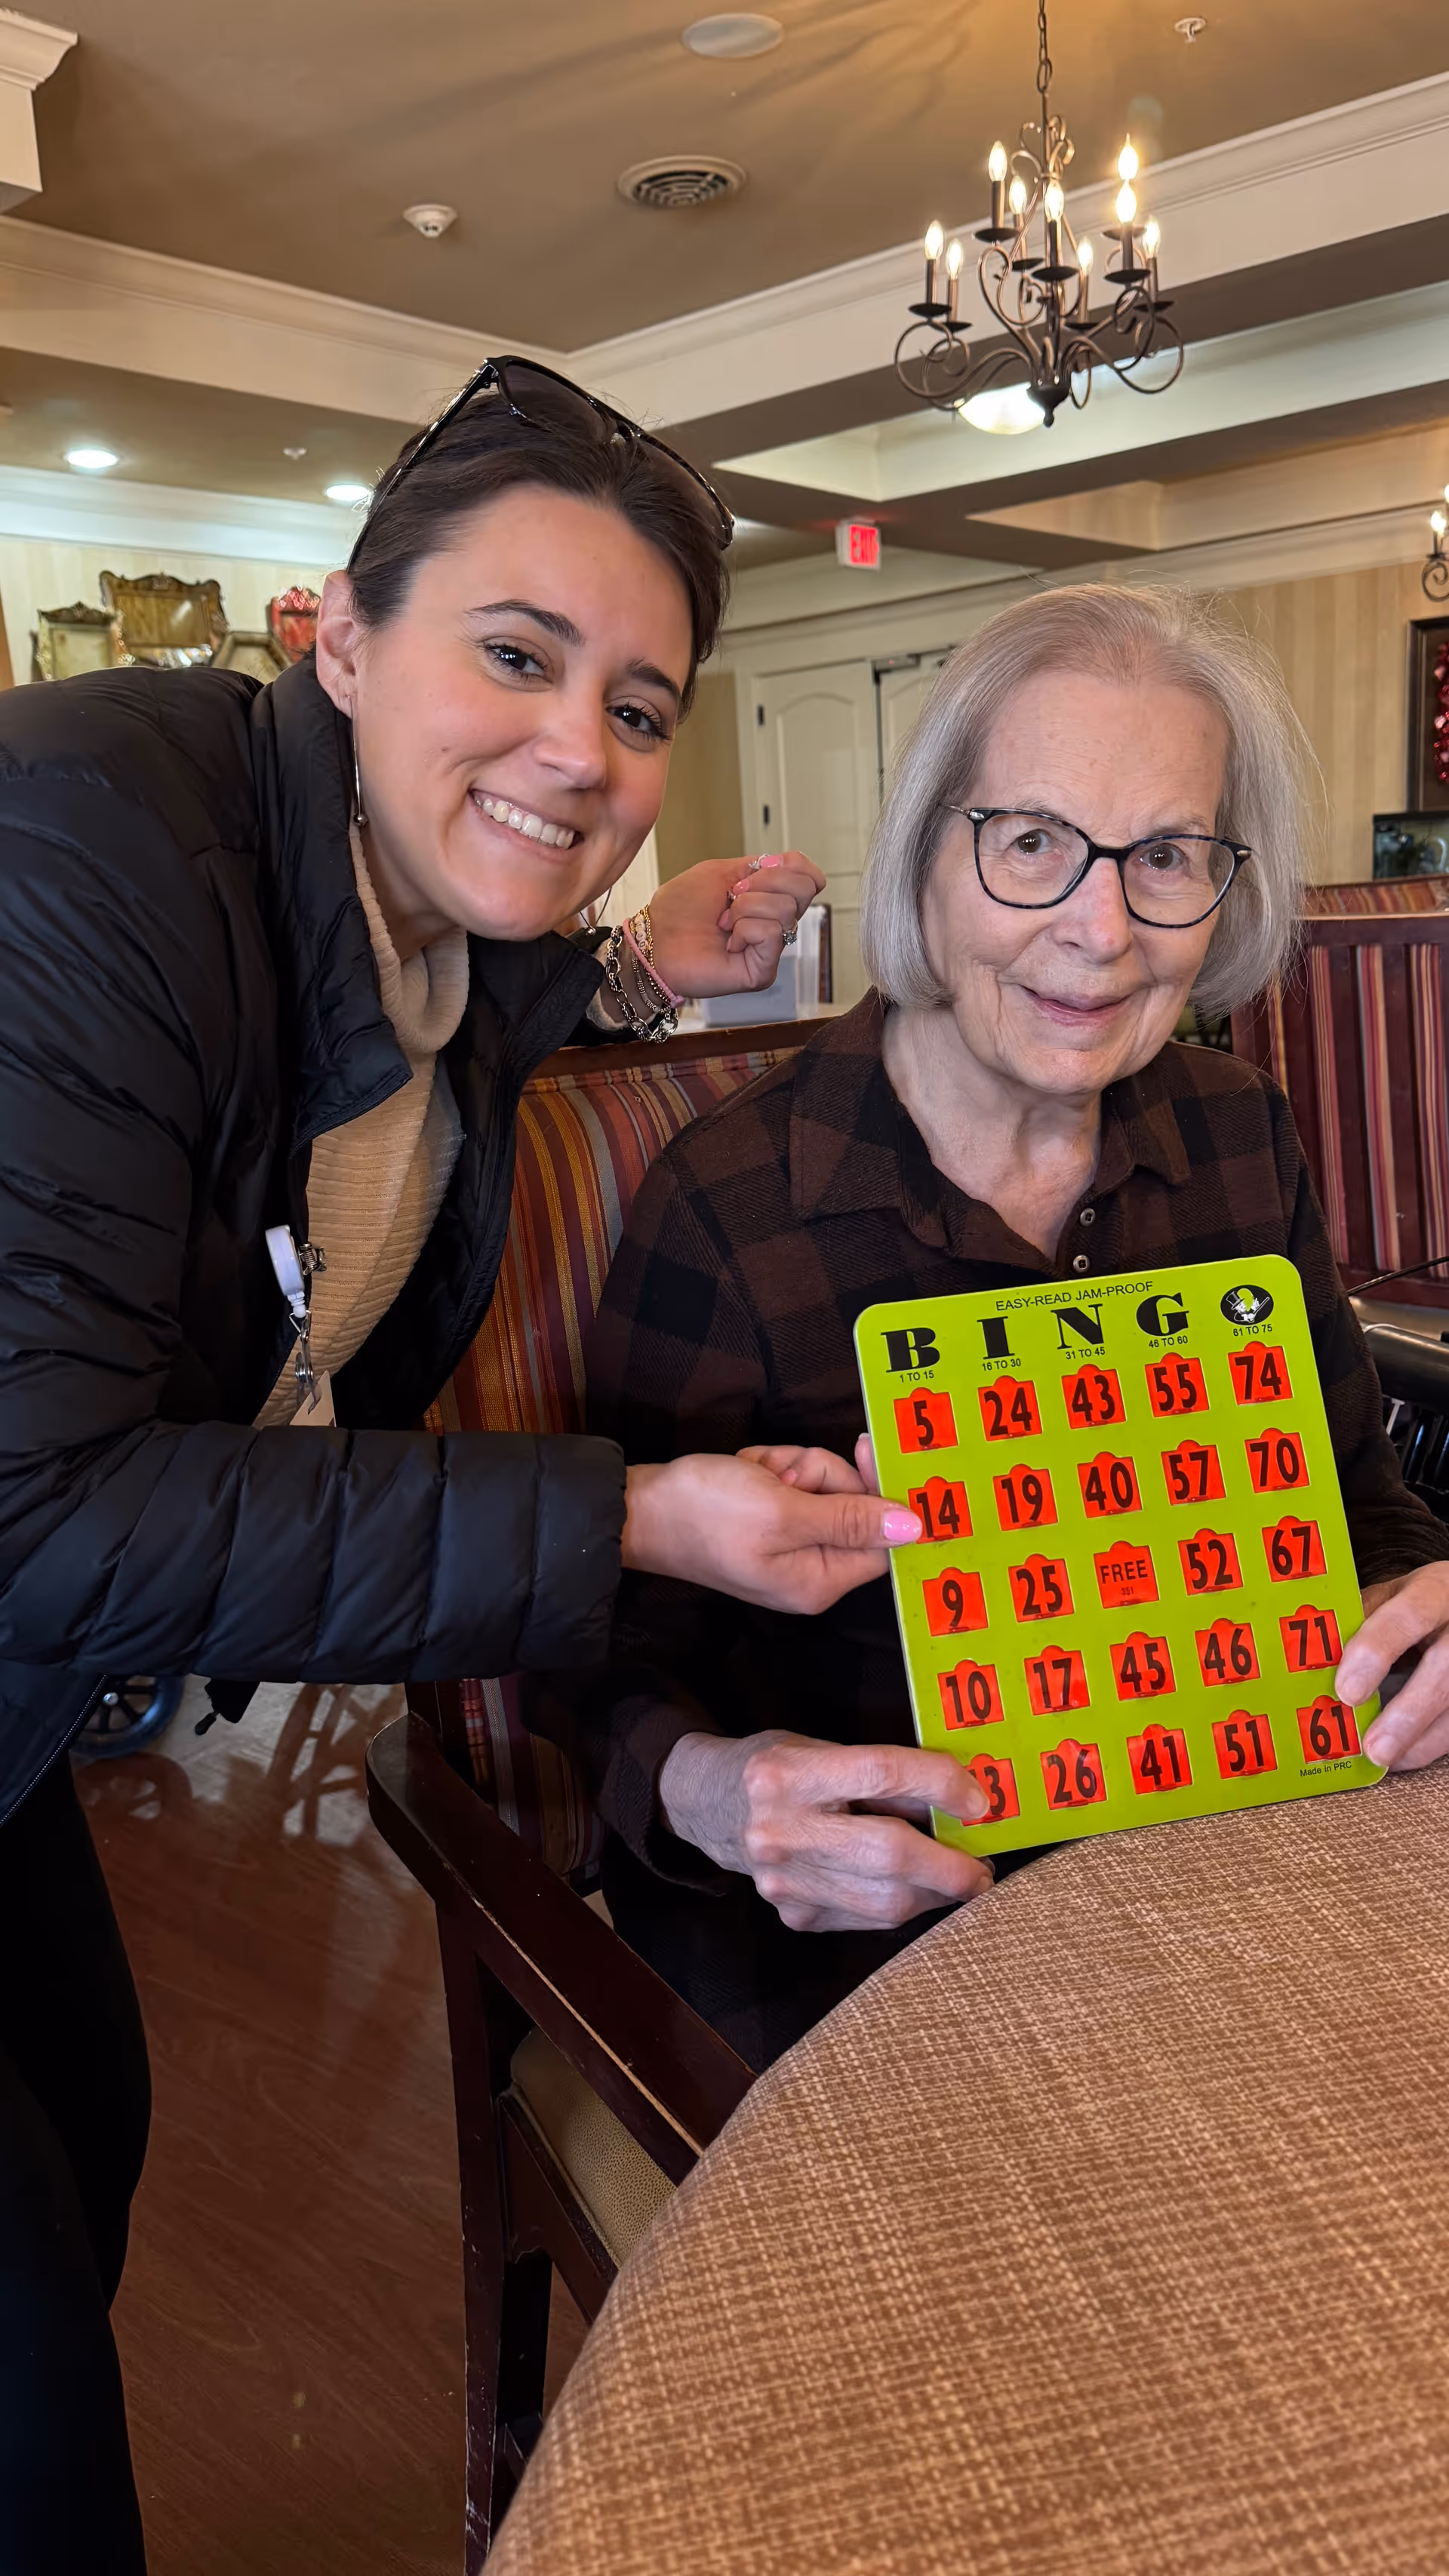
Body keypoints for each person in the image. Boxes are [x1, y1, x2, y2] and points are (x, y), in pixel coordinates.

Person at [0, 358, 928, 2570]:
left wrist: (620, 959)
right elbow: (37, 1510)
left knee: (89, 2137)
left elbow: (408, 1047)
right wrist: (626, 1512)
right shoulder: (84, 838)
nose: (581, 752)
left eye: (636, 702)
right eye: (515, 656)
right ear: (337, 630)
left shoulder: (438, 930)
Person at [528, 583, 1449, 2073]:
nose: (1100, 929)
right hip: (880, 1938)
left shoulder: (1237, 1132)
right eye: (1032, 843)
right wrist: (708, 1786)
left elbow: (1356, 1501)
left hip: (1230, 1854)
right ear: (930, 858)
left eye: (1165, 856)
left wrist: (1423, 1605)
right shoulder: (735, 1203)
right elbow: (586, 1635)